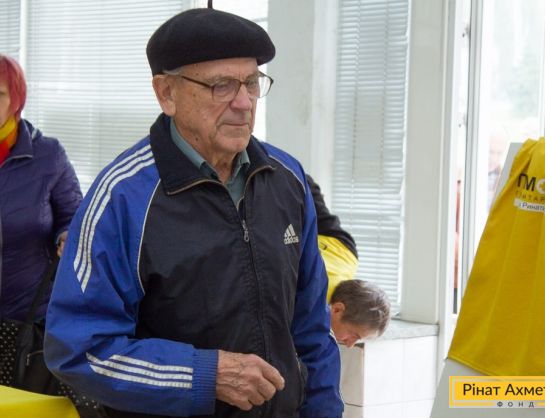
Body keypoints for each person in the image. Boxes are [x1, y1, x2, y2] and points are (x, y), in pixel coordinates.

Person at [43, 7, 342, 418]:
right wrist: (204, 375)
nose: (244, 103)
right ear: (166, 93)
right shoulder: (122, 198)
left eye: (252, 83)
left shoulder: (287, 179)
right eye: (221, 86)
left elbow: (312, 331)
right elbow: (79, 348)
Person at [0, 52, 82, 382]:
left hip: (31, 316)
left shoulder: (48, 154)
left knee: (24, 403)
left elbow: (73, 215)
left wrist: (66, 235)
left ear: (16, 98)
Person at [306, 175, 390, 348]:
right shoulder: (307, 299)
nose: (350, 344)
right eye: (354, 335)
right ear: (337, 310)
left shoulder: (349, 255)